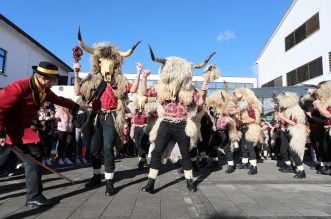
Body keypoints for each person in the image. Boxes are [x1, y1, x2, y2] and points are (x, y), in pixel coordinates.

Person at [0, 61, 81, 207]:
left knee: (33, 159)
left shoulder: (44, 90)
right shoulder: (18, 87)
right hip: (6, 131)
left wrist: (77, 107)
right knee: (3, 162)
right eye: (53, 79)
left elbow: (59, 99)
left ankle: (34, 196)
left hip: (22, 131)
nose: (55, 82)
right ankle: (34, 196)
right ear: (44, 78)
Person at [140, 47, 214, 193]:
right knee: (156, 152)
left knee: (185, 154)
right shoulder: (162, 87)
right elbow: (144, 92)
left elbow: (199, 104)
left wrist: (204, 90)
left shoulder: (190, 89)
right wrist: (144, 78)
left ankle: (190, 181)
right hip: (166, 122)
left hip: (182, 124)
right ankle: (151, 182)